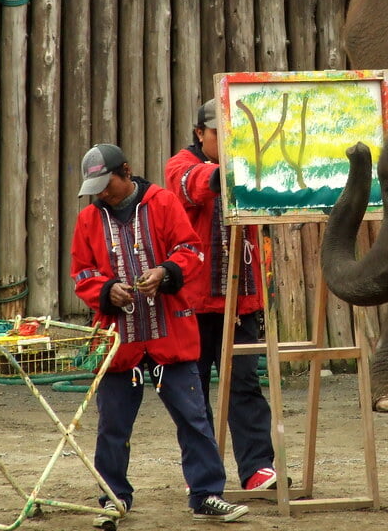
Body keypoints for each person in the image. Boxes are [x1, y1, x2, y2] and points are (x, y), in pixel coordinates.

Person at [70, 143, 250, 528]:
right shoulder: (87, 220)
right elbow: (82, 274)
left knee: (193, 418)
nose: (102, 193)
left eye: (107, 184)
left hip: (170, 336)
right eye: (96, 187)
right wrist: (106, 291)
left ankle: (206, 494)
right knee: (112, 426)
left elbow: (191, 250)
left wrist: (164, 273)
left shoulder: (163, 203)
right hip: (121, 343)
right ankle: (113, 496)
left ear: (127, 171)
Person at [165, 99, 281, 492]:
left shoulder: (251, 162)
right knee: (191, 392)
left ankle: (257, 468)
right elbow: (194, 184)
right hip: (193, 305)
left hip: (241, 301)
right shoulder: (179, 165)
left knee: (245, 384)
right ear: (200, 133)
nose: (228, 142)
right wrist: (235, 168)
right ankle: (201, 475)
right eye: (220, 134)